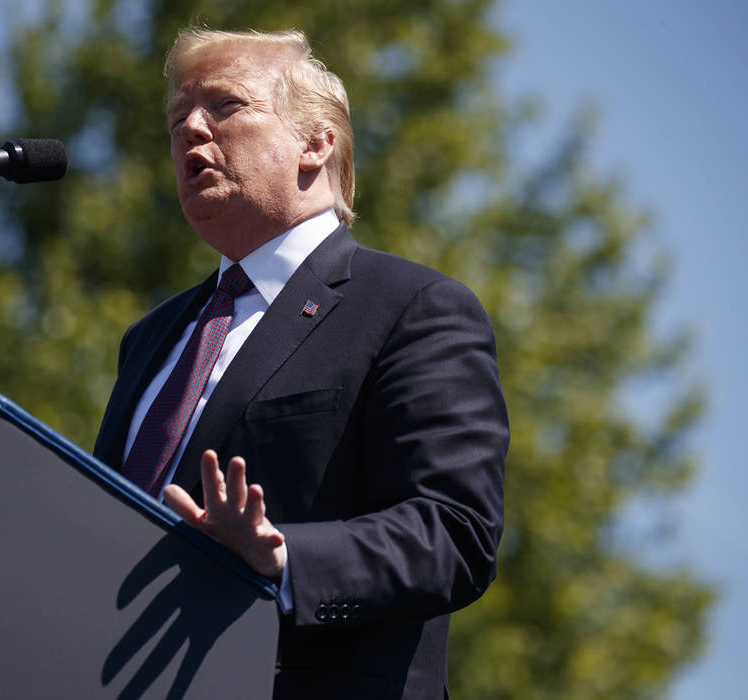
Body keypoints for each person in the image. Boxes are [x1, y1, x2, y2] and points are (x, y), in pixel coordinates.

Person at [93, 27, 507, 699]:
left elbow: (452, 532)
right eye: (177, 120)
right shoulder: (151, 339)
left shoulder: (410, 308)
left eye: (225, 106)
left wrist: (280, 554)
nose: (192, 128)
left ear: (316, 143)